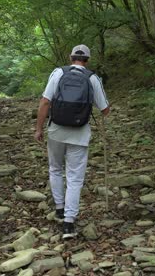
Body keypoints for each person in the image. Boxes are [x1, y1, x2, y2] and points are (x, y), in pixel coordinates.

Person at [35, 44, 110, 239]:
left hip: (56, 131)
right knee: (75, 178)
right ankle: (69, 223)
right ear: (88, 59)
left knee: (55, 169)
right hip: (80, 134)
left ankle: (59, 208)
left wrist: (38, 128)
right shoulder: (93, 78)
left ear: (71, 57)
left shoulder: (58, 72)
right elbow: (105, 110)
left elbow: (45, 102)